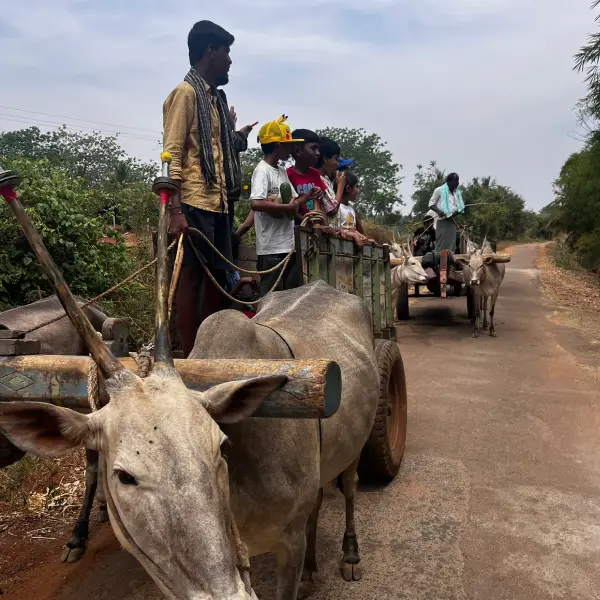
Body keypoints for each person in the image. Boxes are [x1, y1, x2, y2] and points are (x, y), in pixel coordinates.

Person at [162, 20, 255, 356]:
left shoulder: (214, 100)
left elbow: (222, 148)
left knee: (218, 276)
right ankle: (189, 356)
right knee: (192, 277)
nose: (230, 60)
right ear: (210, 51)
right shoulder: (185, 95)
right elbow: (171, 154)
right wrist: (174, 210)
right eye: (227, 52)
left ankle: (210, 353)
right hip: (192, 201)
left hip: (219, 203)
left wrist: (236, 133)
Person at [250, 118, 316, 297]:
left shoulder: (280, 171)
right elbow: (255, 203)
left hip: (288, 246)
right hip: (271, 249)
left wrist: (306, 199)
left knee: (289, 297)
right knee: (270, 298)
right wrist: (287, 208)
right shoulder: (262, 171)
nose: (291, 150)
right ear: (279, 146)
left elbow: (293, 201)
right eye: (288, 145)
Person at [286, 129, 327, 222]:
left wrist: (324, 224)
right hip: (300, 229)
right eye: (313, 148)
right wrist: (306, 221)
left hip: (316, 227)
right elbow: (290, 207)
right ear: (297, 151)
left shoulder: (315, 173)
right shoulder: (288, 176)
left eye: (318, 149)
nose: (318, 153)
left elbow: (321, 203)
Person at [317, 136, 354, 215]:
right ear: (326, 159)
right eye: (335, 159)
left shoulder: (326, 178)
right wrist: (341, 186)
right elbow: (332, 210)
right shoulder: (318, 180)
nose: (337, 164)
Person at [428, 173, 465, 252]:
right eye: (455, 181)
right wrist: (439, 211)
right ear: (449, 182)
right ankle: (439, 261)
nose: (457, 183)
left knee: (451, 243)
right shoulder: (439, 190)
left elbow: (460, 208)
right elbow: (431, 204)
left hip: (452, 220)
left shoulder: (457, 193)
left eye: (458, 181)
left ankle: (449, 261)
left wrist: (455, 212)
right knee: (441, 243)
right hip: (442, 221)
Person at [329, 171, 367, 245]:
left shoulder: (350, 209)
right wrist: (353, 235)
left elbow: (350, 229)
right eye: (356, 186)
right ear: (348, 188)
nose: (357, 190)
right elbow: (335, 230)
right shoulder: (337, 208)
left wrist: (360, 235)